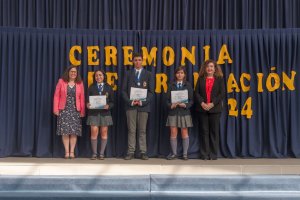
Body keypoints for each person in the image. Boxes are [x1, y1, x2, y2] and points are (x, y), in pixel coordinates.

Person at [122, 52, 154, 160]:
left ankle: (143, 152)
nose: (137, 62)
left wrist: (142, 102)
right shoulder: (127, 73)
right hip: (130, 106)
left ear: (142, 61)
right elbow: (123, 91)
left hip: (143, 106)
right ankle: (130, 152)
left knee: (142, 130)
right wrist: (131, 101)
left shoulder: (148, 74)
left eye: (139, 60)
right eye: (135, 60)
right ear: (132, 61)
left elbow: (151, 92)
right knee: (131, 130)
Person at [194, 59, 225, 160]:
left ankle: (213, 154)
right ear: (205, 68)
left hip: (215, 109)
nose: (209, 68)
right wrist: (202, 103)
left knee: (214, 132)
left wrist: (212, 104)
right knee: (204, 132)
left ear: (215, 68)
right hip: (202, 109)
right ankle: (204, 154)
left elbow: (222, 94)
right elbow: (196, 93)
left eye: (211, 66)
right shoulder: (201, 78)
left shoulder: (220, 79)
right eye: (208, 66)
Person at [53, 65, 85, 159]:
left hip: (75, 110)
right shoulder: (61, 81)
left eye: (75, 72)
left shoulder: (80, 83)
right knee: (65, 132)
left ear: (77, 73)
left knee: (74, 132)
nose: (73, 73)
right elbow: (56, 96)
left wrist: (82, 111)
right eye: (72, 71)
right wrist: (56, 109)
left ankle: (72, 152)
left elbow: (82, 98)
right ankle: (67, 152)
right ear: (68, 72)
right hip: (64, 110)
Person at [166, 66, 194, 160]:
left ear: (184, 74)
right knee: (173, 132)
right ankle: (174, 153)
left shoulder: (188, 85)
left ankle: (185, 154)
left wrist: (185, 105)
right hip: (173, 112)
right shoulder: (171, 85)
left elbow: (191, 100)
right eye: (178, 73)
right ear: (175, 74)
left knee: (184, 132)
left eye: (182, 73)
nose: (180, 74)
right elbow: (166, 100)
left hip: (184, 112)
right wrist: (171, 105)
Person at [86, 70, 114, 160]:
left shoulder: (109, 88)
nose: (98, 77)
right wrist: (87, 104)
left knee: (104, 133)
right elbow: (87, 100)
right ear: (95, 77)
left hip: (105, 113)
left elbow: (113, 102)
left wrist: (108, 106)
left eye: (100, 75)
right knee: (94, 132)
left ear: (103, 76)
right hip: (93, 113)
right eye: (96, 75)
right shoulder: (91, 87)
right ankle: (94, 153)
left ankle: (101, 153)